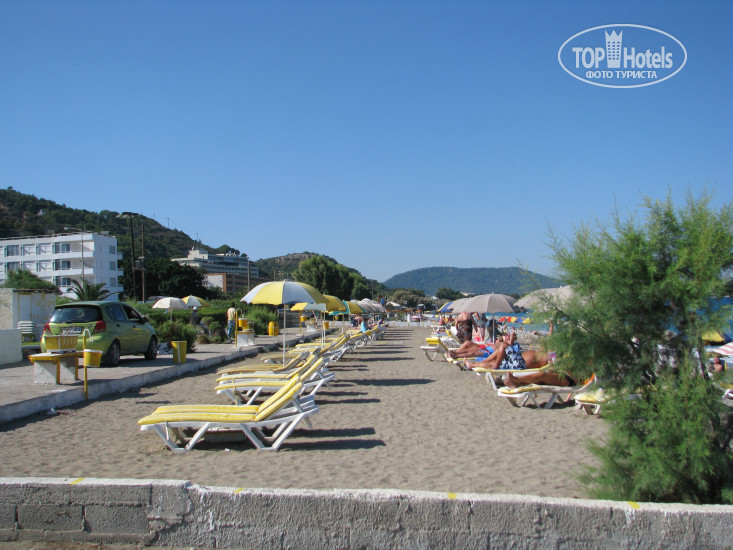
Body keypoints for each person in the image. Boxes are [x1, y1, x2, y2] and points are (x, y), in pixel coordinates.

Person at [464, 332, 550, 371]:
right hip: (517, 361)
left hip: (519, 364)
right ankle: (474, 364)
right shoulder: (548, 355)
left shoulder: (550, 358)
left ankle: (492, 365)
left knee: (503, 345)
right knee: (496, 357)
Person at [503, 369, 576, 388]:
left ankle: (516, 379)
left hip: (568, 379)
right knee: (538, 379)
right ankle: (517, 384)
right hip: (558, 374)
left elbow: (576, 376)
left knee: (542, 375)